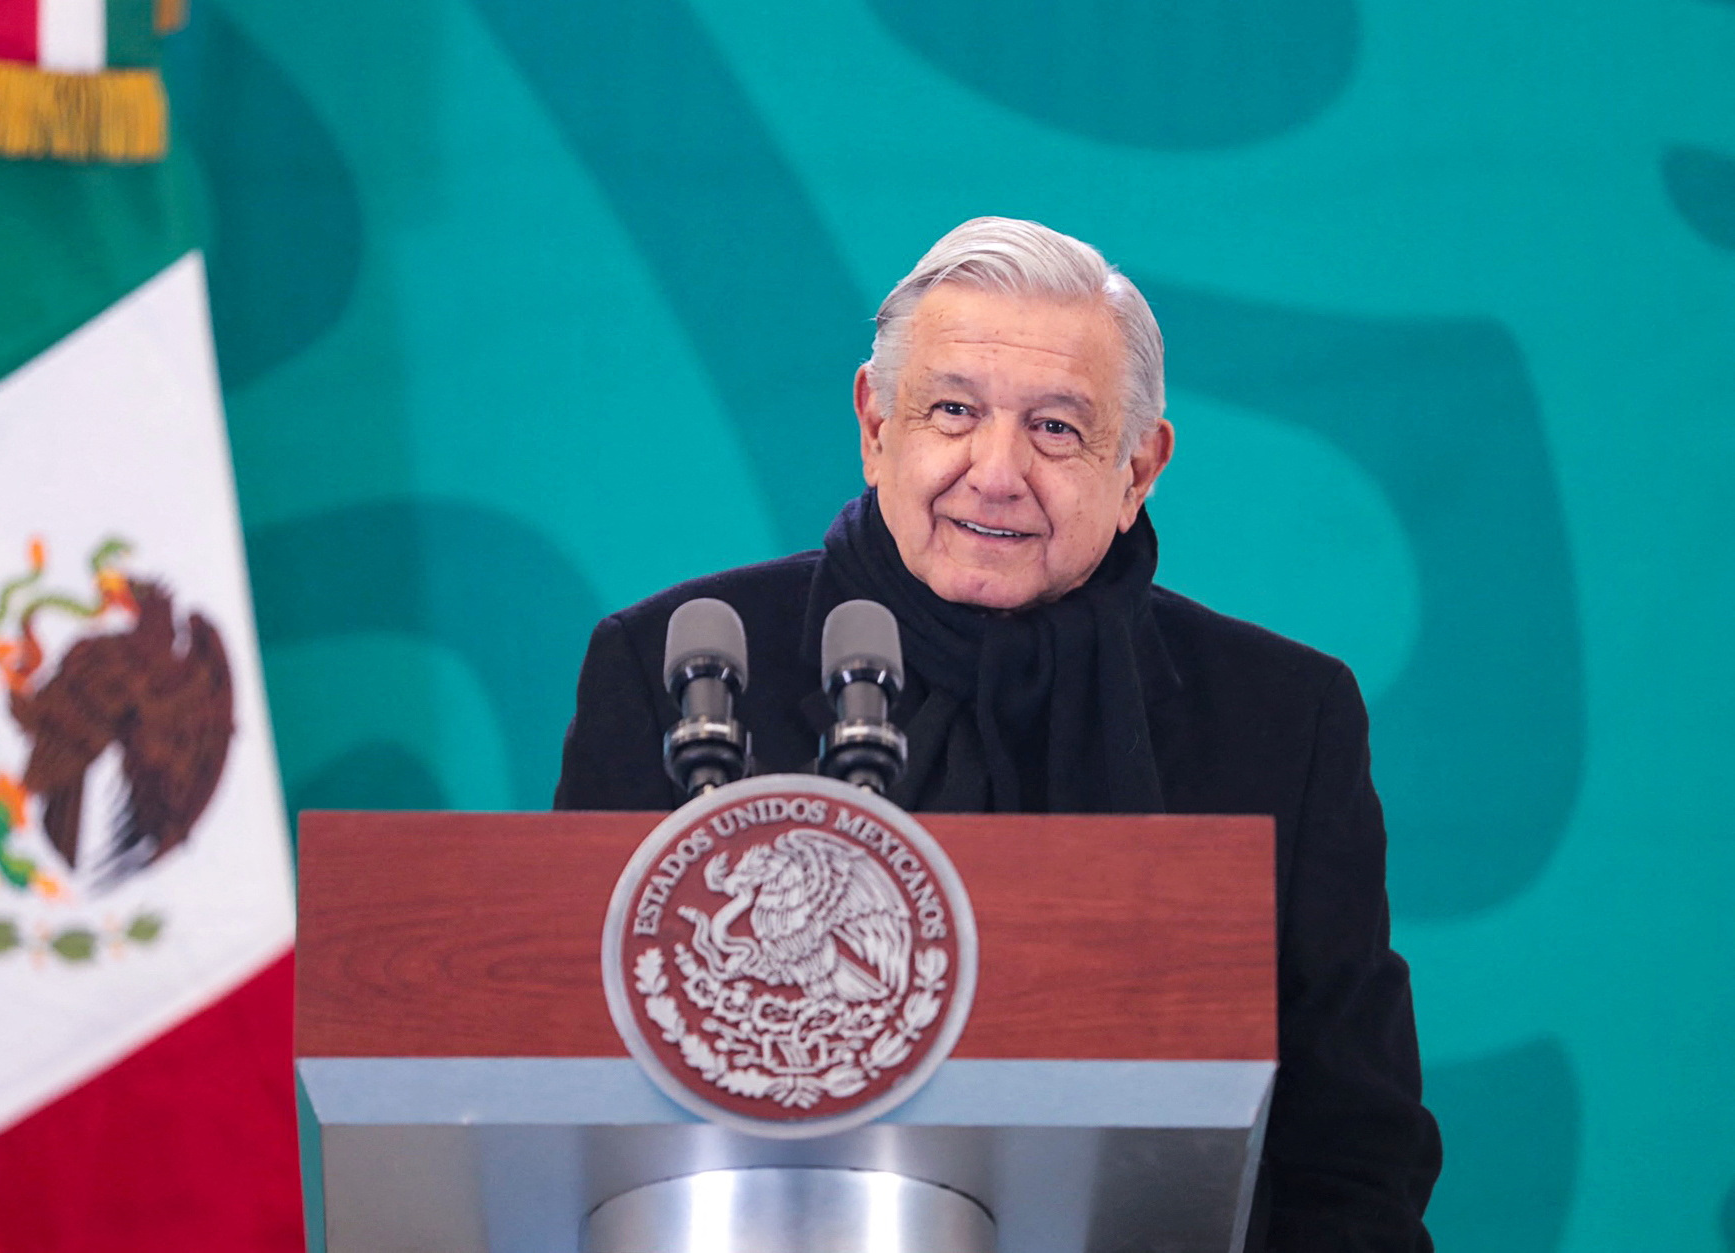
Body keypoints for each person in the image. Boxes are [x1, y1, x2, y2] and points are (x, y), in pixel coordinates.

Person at [554, 217, 1440, 1249]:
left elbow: (1352, 1154)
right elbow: (570, 1080)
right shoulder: (682, 669)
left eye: (1056, 428)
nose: (996, 470)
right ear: (875, 425)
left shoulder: (1281, 716)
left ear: (1138, 468)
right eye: (953, 411)